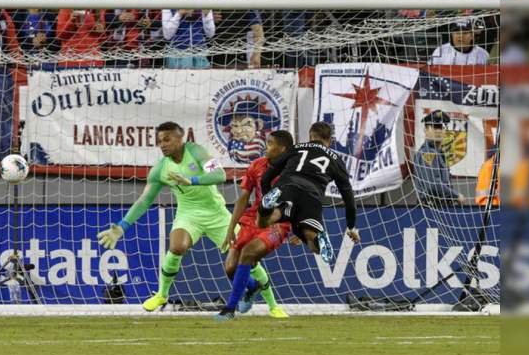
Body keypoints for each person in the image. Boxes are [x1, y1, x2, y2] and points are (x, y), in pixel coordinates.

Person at [96, 122, 275, 313]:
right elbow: (144, 200)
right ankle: (161, 295)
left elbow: (220, 175)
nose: (162, 144)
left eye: (167, 139)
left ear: (180, 139)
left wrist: (192, 180)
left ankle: (272, 305)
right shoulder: (160, 170)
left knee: (246, 255)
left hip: (217, 214)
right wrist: (122, 226)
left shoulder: (197, 152)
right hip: (188, 215)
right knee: (177, 246)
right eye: (159, 141)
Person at [255, 122, 360, 264]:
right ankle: (317, 237)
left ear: (310, 136)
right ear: (330, 140)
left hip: (288, 186)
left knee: (264, 221)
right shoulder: (336, 160)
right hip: (312, 196)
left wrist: (268, 192)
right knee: (311, 239)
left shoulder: (296, 148)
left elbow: (267, 177)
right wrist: (351, 226)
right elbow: (348, 197)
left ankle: (269, 206)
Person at [219, 130, 296, 320]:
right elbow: (243, 199)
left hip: (278, 224)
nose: (265, 146)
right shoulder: (257, 165)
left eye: (270, 143)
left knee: (248, 254)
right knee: (230, 268)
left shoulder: (294, 171)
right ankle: (253, 287)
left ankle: (229, 309)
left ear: (282, 148)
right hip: (253, 219)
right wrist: (231, 229)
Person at [207, 0, 264, 68]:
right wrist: (207, 19)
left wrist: (257, 54)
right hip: (212, 59)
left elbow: (258, 30)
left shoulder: (244, 0)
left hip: (239, 59)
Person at [161, 0, 214, 69]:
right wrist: (179, 14)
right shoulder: (168, 2)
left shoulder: (204, 1)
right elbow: (167, 35)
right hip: (176, 56)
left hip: (200, 55)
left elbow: (210, 34)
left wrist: (206, 15)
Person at [413, 110, 465, 208]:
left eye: (441, 127)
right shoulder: (428, 153)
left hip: (440, 207)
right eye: (434, 127)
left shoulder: (439, 153)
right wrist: (455, 195)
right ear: (426, 130)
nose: (438, 131)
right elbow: (432, 185)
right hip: (430, 208)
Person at [56, 0, 106, 67]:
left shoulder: (99, 8)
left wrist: (101, 32)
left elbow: (103, 40)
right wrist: (71, 22)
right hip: (70, 60)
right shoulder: (67, 7)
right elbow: (59, 36)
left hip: (93, 60)